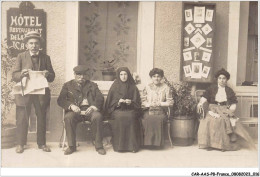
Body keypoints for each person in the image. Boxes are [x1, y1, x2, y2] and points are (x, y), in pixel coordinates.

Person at [12, 31, 55, 153]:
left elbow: (52, 77)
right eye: (31, 43)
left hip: (41, 93)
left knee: (41, 117)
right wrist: (21, 74)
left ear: (39, 45)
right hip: (24, 92)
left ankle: (42, 144)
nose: (34, 45)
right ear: (26, 45)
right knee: (22, 117)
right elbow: (14, 75)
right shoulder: (21, 56)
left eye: (36, 43)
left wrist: (48, 74)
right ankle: (20, 144)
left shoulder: (46, 58)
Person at [197, 68, 256, 151]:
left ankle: (222, 145)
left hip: (225, 109)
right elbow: (204, 97)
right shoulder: (211, 88)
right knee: (209, 120)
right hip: (213, 109)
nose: (221, 80)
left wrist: (230, 111)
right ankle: (210, 144)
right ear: (217, 79)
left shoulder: (229, 91)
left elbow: (233, 104)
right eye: (220, 78)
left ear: (226, 80)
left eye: (224, 78)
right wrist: (200, 103)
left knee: (223, 120)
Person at [57, 65, 106, 155]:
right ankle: (71, 146)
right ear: (74, 74)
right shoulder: (67, 85)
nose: (82, 77)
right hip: (75, 111)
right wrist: (71, 106)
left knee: (97, 116)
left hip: (90, 110)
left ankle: (99, 146)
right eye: (79, 75)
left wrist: (93, 107)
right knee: (68, 117)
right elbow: (61, 100)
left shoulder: (92, 85)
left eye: (84, 75)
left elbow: (100, 98)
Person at [105, 67, 142, 152]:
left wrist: (131, 102)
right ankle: (119, 146)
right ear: (118, 75)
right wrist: (118, 103)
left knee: (131, 117)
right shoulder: (114, 86)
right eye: (121, 74)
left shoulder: (133, 86)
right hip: (117, 110)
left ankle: (132, 146)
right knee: (120, 117)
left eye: (125, 74)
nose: (123, 76)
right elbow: (109, 103)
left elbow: (137, 103)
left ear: (128, 75)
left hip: (131, 110)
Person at [141, 68, 174, 148]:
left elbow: (170, 102)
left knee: (159, 119)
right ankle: (148, 144)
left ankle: (157, 144)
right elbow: (143, 101)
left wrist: (160, 103)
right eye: (154, 76)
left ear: (161, 77)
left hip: (161, 110)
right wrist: (149, 104)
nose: (156, 78)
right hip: (149, 110)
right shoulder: (147, 87)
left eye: (158, 76)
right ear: (151, 78)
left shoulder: (166, 88)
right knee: (148, 118)